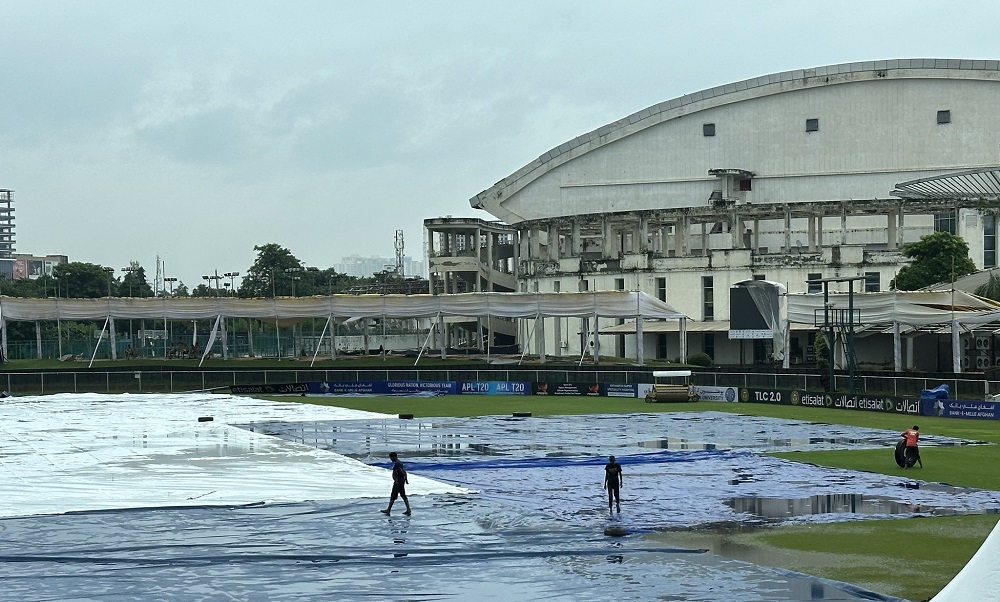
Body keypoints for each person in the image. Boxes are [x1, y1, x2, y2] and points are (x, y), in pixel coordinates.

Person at [381, 451, 411, 516]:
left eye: (391, 458)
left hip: (398, 483)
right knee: (403, 495)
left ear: (394, 457)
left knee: (393, 496)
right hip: (400, 482)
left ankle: (388, 510)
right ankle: (408, 510)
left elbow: (402, 471)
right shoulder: (399, 462)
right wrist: (405, 479)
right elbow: (404, 471)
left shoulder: (397, 464)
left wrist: (399, 480)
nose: (391, 459)